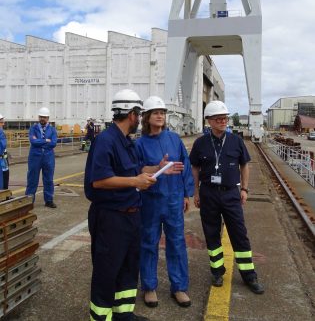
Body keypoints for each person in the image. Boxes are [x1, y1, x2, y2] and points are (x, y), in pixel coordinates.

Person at [84, 89, 184, 321]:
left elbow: (136, 170)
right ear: (131, 114)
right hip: (111, 217)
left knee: (128, 268)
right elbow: (99, 181)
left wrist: (157, 168)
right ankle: (101, 317)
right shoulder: (105, 141)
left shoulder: (126, 141)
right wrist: (135, 182)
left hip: (130, 216)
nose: (140, 120)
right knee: (107, 271)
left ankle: (123, 314)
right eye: (139, 115)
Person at [189, 100, 264, 294]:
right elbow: (195, 168)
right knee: (212, 234)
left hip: (231, 193)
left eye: (225, 118)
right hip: (208, 194)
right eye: (218, 118)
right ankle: (217, 272)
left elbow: (244, 165)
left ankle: (249, 276)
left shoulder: (236, 141)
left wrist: (245, 189)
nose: (223, 121)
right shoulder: (200, 143)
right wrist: (195, 192)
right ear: (209, 121)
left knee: (239, 234)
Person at [135, 96, 194, 308]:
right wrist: (157, 167)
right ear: (147, 117)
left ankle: (179, 287)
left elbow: (185, 167)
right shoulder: (139, 144)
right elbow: (136, 170)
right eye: (155, 112)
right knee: (149, 243)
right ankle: (149, 287)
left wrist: (187, 194)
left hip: (173, 199)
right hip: (150, 201)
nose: (160, 115)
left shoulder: (175, 139)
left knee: (177, 243)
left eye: (162, 112)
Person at [25, 107, 58, 208]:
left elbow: (53, 143)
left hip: (48, 157)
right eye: (41, 117)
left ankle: (49, 200)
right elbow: (33, 141)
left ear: (48, 118)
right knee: (32, 179)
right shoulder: (33, 128)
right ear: (38, 117)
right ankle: (29, 200)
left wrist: (40, 141)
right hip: (35, 157)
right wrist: (45, 141)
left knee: (48, 179)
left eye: (44, 117)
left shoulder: (52, 130)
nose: (42, 119)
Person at [0, 113, 9, 190]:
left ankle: (5, 195)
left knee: (5, 176)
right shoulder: (1, 133)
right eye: (1, 122)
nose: (3, 124)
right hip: (1, 162)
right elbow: (2, 146)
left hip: (4, 161)